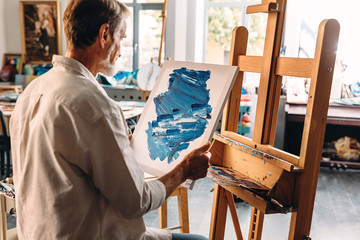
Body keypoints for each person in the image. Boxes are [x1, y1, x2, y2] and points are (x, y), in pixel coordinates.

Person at [10, 0, 210, 239]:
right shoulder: (96, 105)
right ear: (104, 34)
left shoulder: (32, 91)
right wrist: (184, 170)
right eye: (122, 38)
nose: (122, 49)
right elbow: (136, 201)